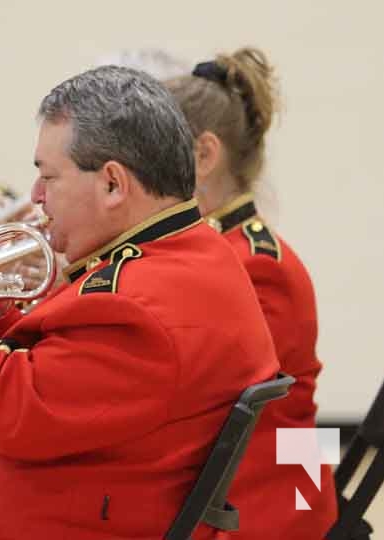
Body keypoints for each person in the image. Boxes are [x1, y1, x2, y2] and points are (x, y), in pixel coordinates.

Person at [0, 65, 280, 539]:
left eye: (48, 177)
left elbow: (14, 415)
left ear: (113, 184)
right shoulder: (184, 256)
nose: (34, 196)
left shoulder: (136, 302)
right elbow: (62, 375)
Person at [165, 47, 338, 538]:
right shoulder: (221, 248)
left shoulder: (257, 264)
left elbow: (197, 400)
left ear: (203, 155)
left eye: (151, 156)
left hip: (270, 494)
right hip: (240, 478)